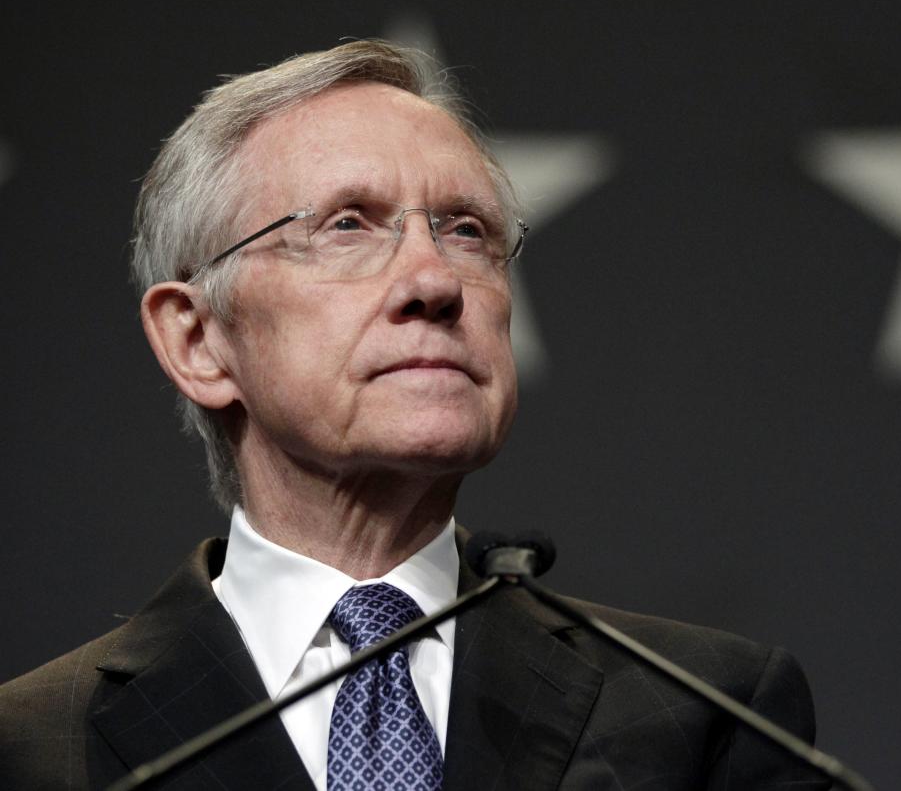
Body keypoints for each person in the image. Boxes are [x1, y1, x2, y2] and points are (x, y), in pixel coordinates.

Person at [0, 40, 828, 790]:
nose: (435, 281)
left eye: (467, 231)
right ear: (199, 341)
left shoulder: (703, 720)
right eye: (347, 225)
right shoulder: (32, 749)